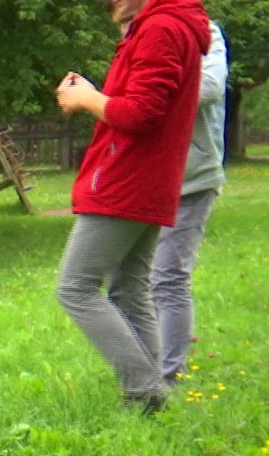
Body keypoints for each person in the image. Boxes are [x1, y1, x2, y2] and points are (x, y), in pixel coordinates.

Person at [54, 0, 211, 413]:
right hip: (148, 181)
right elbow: (141, 101)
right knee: (130, 291)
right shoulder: (166, 25)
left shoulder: (161, 28)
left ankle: (144, 389)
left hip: (126, 179)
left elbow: (142, 114)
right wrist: (92, 94)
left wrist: (87, 99)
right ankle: (148, 402)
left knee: (75, 287)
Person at [151, 19, 226, 389]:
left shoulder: (205, 32)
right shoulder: (141, 32)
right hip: (149, 180)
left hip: (193, 179)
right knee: (139, 281)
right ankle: (149, 368)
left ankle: (167, 381)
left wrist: (154, 86)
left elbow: (210, 87)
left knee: (168, 279)